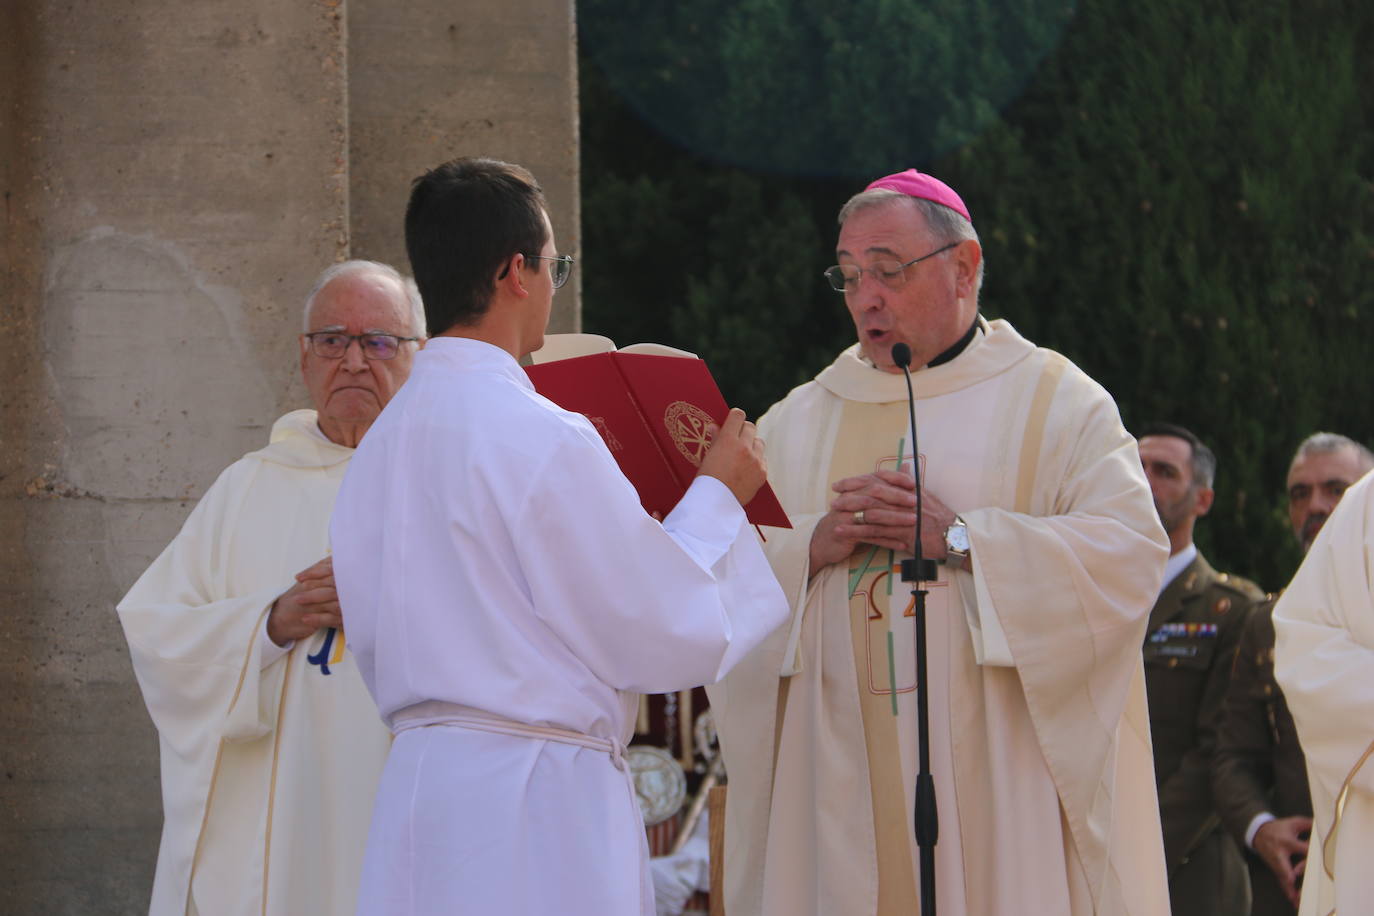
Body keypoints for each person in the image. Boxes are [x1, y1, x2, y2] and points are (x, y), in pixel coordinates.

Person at [329, 157, 789, 916]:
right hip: (533, 803)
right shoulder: (541, 435)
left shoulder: (379, 445)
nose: (552, 286)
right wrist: (718, 495)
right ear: (517, 272)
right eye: (554, 266)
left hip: (421, 791)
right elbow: (654, 624)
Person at [707, 169, 1171, 916]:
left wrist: (961, 539)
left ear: (965, 266)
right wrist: (812, 547)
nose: (866, 298)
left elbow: (1127, 555)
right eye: (850, 276)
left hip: (994, 783)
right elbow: (720, 584)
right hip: (837, 782)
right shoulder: (798, 420)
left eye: (888, 271)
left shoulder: (1057, 403)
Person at [117, 261, 425, 915]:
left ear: (418, 357)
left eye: (379, 342)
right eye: (333, 340)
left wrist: (389, 605)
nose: (353, 362)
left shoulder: (446, 483)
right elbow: (157, 634)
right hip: (275, 816)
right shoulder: (247, 488)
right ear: (304, 355)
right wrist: (268, 622)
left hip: (401, 793)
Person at [1213, 433, 1374, 915]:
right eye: (1300, 494)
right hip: (1303, 872)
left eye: (1335, 490)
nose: (1317, 506)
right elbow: (1233, 750)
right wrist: (1261, 827)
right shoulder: (1268, 621)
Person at [1136, 423, 1264, 915]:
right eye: (1135, 468)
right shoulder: (1089, 595)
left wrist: (1136, 850)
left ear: (1203, 500)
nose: (1144, 481)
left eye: (1164, 472)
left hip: (1187, 872)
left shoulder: (1231, 610)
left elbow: (1218, 753)